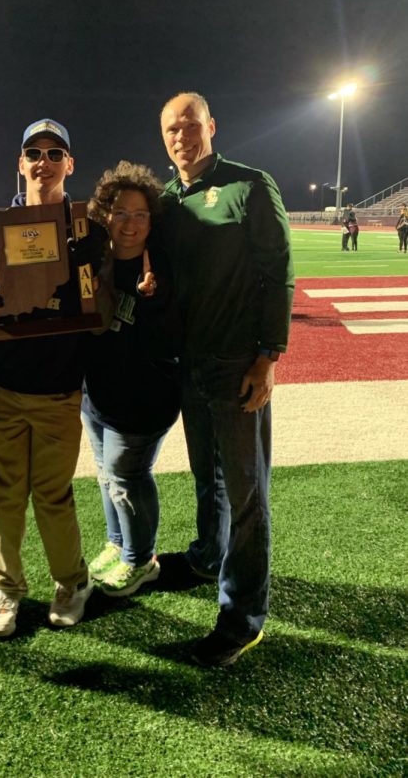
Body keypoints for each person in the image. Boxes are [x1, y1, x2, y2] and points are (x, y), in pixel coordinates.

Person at [158, 91, 294, 667]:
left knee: (246, 494)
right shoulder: (165, 200)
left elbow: (278, 271)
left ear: (212, 126)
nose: (181, 136)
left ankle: (243, 617)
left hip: (238, 365)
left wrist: (268, 356)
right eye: (170, 129)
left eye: (190, 125)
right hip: (189, 365)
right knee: (206, 478)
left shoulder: (249, 185)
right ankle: (207, 556)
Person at [0, 118, 106, 638]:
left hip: (57, 389)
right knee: (5, 493)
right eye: (34, 152)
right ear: (20, 162)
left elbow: (99, 302)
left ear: (70, 164)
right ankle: (6, 587)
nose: (44, 162)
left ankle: (73, 582)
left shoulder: (86, 228)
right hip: (6, 386)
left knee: (53, 494)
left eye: (56, 154)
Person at [82, 161, 180, 597]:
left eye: (140, 214)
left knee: (127, 478)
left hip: (144, 396)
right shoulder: (94, 260)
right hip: (98, 392)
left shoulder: (162, 266)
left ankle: (142, 561)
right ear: (105, 215)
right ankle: (118, 542)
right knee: (107, 476)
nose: (131, 223)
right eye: (121, 212)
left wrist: (153, 300)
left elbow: (173, 334)